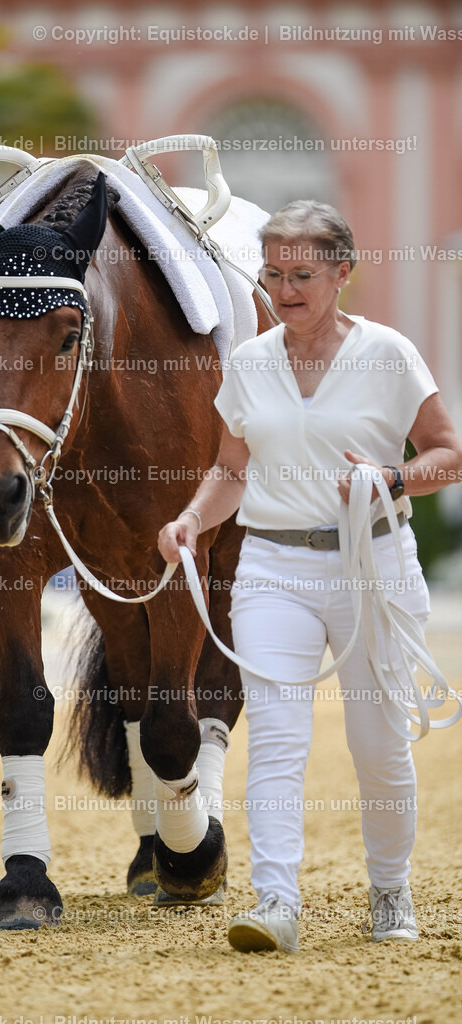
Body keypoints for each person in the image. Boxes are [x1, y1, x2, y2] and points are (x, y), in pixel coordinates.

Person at [158, 200, 462, 954]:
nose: (285, 289)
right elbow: (232, 469)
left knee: (378, 743)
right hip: (272, 566)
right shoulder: (250, 362)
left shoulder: (389, 354)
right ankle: (276, 900)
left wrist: (394, 477)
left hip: (374, 564)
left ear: (342, 274)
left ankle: (389, 886)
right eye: (272, 273)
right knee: (277, 740)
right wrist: (194, 518)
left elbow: (447, 453)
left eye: (302, 274)